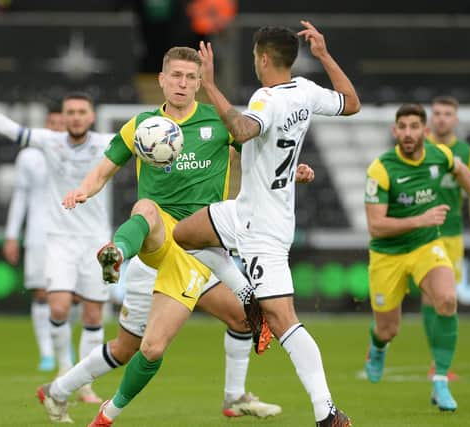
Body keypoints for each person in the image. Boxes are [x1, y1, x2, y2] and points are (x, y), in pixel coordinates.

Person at [42, 47, 279, 425]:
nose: (183, 84)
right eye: (177, 76)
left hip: (199, 251)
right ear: (162, 80)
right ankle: (117, 255)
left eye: (191, 77)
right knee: (126, 346)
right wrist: (85, 189)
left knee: (242, 319)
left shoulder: (218, 123)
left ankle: (234, 398)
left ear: (200, 83)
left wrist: (291, 170)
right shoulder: (141, 126)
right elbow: (104, 168)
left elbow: (260, 157)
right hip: (153, 247)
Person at [173, 22, 360, 427]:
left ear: (261, 58)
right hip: (243, 210)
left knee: (284, 319)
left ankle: (326, 412)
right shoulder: (307, 91)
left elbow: (243, 129)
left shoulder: (267, 98)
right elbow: (351, 102)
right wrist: (325, 54)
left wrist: (209, 84)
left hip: (265, 229)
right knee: (181, 235)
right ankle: (247, 298)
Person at [0, 82, 114, 403]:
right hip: (58, 239)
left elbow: (149, 139)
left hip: (96, 240)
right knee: (58, 306)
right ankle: (64, 368)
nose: (75, 118)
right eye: (70, 112)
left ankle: (85, 383)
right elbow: (10, 128)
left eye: (81, 112)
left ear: (92, 117)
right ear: (62, 116)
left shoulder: (109, 144)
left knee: (92, 316)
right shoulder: (49, 142)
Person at [363, 103, 470, 412]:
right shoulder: (380, 168)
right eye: (402, 127)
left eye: (413, 127)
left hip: (425, 247)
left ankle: (441, 380)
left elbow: (462, 172)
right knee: (388, 329)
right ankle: (378, 348)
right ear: (395, 131)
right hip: (388, 254)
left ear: (425, 131)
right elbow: (376, 226)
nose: (408, 133)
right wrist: (420, 219)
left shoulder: (440, 155)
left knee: (447, 298)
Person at [423, 95, 470, 380]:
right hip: (422, 235)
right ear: (431, 117)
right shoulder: (419, 147)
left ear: (455, 119)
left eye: (447, 114)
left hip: (453, 234)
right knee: (430, 299)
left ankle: (437, 363)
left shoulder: (469, 153)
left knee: (444, 299)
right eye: (437, 113)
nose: (441, 118)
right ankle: (380, 339)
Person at [1, 105, 64, 372]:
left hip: (69, 232)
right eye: (52, 122)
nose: (56, 127)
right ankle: (47, 352)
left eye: (60, 123)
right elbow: (20, 197)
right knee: (41, 292)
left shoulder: (79, 153)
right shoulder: (28, 156)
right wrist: (11, 235)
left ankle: (62, 346)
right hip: (38, 232)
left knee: (66, 293)